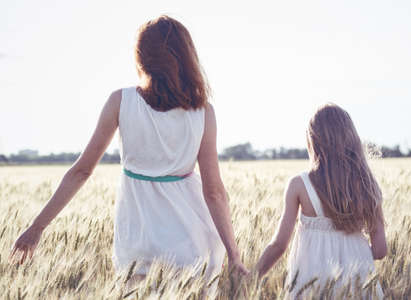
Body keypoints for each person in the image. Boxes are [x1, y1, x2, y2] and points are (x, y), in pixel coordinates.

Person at [10, 15, 248, 292]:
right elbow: (214, 192)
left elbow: (81, 171)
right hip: (192, 239)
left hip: (138, 240)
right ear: (187, 56)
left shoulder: (121, 101)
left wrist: (36, 228)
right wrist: (234, 254)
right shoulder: (203, 111)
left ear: (142, 58)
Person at [256, 104, 387, 299]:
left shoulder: (299, 185)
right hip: (357, 280)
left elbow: (279, 245)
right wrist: (351, 254)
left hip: (312, 282)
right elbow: (379, 250)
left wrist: (252, 277)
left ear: (313, 141)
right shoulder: (367, 184)